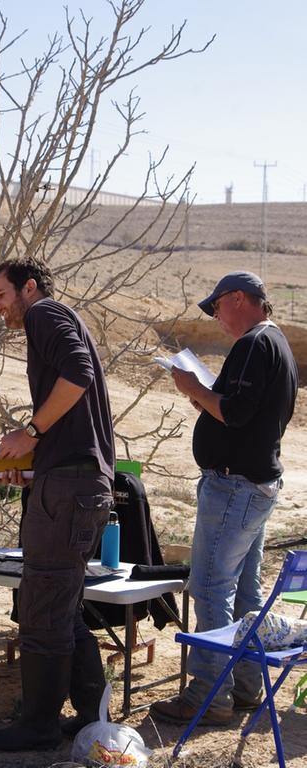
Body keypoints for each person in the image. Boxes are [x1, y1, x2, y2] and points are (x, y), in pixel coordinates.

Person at [0, 256, 115, 752]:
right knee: (61, 606)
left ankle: (38, 724)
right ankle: (89, 714)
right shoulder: (60, 319)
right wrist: (33, 463)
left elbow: (77, 373)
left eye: (0, 294)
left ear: (28, 287)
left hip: (71, 491)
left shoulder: (44, 314)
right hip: (72, 484)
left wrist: (30, 431)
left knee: (41, 608)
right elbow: (77, 421)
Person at [151, 270, 298, 726]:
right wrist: (205, 402)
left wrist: (192, 388)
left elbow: (234, 412)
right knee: (245, 590)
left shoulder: (256, 344)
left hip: (234, 486)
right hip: (253, 485)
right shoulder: (274, 344)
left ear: (239, 298)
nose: (215, 317)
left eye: (217, 307)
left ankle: (209, 696)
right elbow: (241, 414)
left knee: (212, 588)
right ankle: (248, 686)